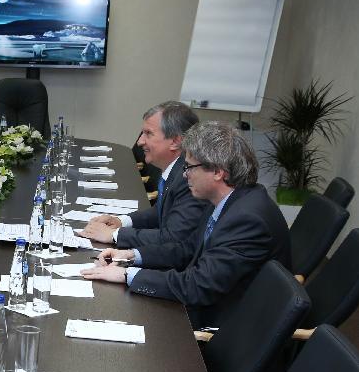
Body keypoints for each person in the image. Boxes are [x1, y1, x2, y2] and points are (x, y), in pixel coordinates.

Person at [81, 121, 291, 329]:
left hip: (226, 327)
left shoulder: (247, 220)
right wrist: (132, 256)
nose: (184, 174)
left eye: (189, 167)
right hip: (202, 304)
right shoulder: (227, 198)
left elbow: (199, 286)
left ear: (218, 172)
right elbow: (186, 248)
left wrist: (127, 275)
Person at [79, 101, 209, 247]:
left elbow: (173, 238)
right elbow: (160, 212)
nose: (140, 142)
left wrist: (114, 235)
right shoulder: (176, 168)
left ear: (175, 141)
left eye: (148, 134)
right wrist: (121, 221)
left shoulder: (189, 178)